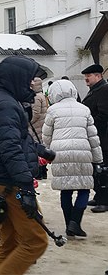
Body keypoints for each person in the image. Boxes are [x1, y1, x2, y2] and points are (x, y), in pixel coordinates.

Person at [0, 55, 48, 275]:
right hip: (9, 182)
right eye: (29, 81)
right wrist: (25, 185)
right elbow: (9, 149)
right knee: (35, 242)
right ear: (16, 78)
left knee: (10, 240)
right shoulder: (5, 104)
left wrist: (38, 151)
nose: (31, 87)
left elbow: (9, 141)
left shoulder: (1, 99)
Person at [42, 80, 103, 237]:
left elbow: (46, 135)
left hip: (60, 154)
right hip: (83, 152)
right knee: (84, 188)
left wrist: (46, 152)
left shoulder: (52, 110)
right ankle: (76, 222)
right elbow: (93, 137)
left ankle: (69, 223)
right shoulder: (84, 109)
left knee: (66, 190)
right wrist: (98, 159)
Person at [81, 64, 108, 213]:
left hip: (103, 139)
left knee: (103, 170)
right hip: (97, 138)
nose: (86, 78)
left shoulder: (104, 90)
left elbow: (103, 115)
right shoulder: (95, 90)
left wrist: (90, 126)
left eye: (89, 76)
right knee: (97, 169)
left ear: (98, 76)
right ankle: (99, 196)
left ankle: (105, 200)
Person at [30, 77, 49, 179]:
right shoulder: (41, 95)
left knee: (36, 150)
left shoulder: (37, 97)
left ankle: (39, 173)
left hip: (35, 127)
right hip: (41, 125)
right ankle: (43, 172)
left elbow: (35, 114)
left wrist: (27, 122)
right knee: (41, 148)